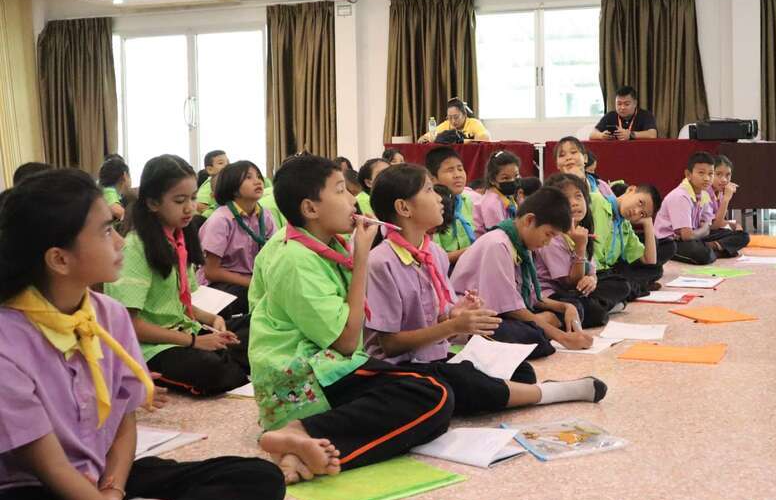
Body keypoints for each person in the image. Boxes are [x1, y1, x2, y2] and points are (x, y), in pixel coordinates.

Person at [0, 169, 286, 500]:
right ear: (59, 259)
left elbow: (124, 419)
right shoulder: (9, 342)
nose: (119, 242)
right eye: (106, 231)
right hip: (34, 486)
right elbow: (50, 467)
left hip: (101, 468)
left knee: (259, 477)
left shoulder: (107, 313)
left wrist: (113, 492)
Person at [248, 155, 454, 482]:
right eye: (341, 190)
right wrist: (361, 259)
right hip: (301, 376)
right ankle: (301, 430)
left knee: (433, 396)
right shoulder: (294, 259)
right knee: (433, 396)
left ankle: (301, 452)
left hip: (328, 365)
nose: (353, 200)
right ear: (310, 209)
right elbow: (345, 342)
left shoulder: (328, 243)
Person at [363, 164, 607, 411]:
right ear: (404, 208)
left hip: (435, 352)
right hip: (400, 365)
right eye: (428, 190)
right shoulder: (381, 262)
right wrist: (453, 325)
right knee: (456, 385)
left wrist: (458, 312)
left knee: (521, 371)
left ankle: (512, 390)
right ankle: (551, 393)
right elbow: (390, 345)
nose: (439, 197)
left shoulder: (433, 253)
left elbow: (442, 314)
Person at [105, 155, 251, 396]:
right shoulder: (136, 247)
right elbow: (129, 325)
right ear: (153, 203)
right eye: (179, 200)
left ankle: (228, 357)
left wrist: (212, 319)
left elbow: (181, 305)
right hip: (152, 347)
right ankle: (227, 361)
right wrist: (195, 342)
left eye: (193, 198)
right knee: (212, 369)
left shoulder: (179, 239)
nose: (190, 207)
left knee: (253, 328)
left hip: (183, 330)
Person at [451, 187, 594, 357]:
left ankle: (543, 323)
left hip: (506, 312)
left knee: (575, 307)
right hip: (476, 320)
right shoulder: (498, 244)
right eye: (548, 234)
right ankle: (543, 324)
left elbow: (530, 296)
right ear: (529, 220)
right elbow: (511, 308)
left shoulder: (520, 243)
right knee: (534, 338)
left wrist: (566, 307)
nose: (547, 242)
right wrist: (563, 338)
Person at [537, 173, 631, 328]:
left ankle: (595, 306)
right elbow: (570, 283)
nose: (575, 203)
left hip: (575, 291)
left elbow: (591, 268)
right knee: (594, 312)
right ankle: (594, 308)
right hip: (553, 294)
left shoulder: (581, 228)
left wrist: (592, 279)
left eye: (578, 196)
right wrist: (580, 248)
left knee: (621, 284)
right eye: (566, 199)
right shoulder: (552, 237)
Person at [198, 161, 276, 317]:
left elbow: (274, 252)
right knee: (256, 298)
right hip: (219, 285)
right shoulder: (221, 219)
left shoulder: (265, 215)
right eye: (248, 177)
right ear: (233, 187)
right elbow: (211, 272)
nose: (258, 181)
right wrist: (253, 283)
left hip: (252, 280)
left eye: (258, 176)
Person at [656, 152, 747, 265]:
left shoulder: (702, 193)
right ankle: (718, 250)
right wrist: (704, 229)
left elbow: (710, 225)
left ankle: (713, 249)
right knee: (702, 254)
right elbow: (687, 235)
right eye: (701, 173)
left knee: (742, 236)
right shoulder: (681, 196)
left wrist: (705, 229)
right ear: (688, 174)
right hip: (671, 241)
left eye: (710, 174)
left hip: (695, 235)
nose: (707, 178)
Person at [592, 181, 663, 299]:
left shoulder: (625, 225)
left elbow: (649, 260)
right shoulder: (597, 202)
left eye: (642, 214)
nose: (636, 212)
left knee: (655, 270)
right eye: (640, 203)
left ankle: (626, 291)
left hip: (606, 273)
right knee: (623, 286)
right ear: (631, 190)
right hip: (589, 271)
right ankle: (630, 291)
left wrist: (648, 223)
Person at [425, 147, 476, 265]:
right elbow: (434, 257)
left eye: (460, 169)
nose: (457, 175)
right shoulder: (433, 207)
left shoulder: (467, 201)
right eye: (450, 170)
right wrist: (473, 251)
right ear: (433, 179)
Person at [473, 150, 521, 236]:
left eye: (516, 175)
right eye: (505, 178)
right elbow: (498, 236)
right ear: (492, 180)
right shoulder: (491, 203)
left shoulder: (507, 197)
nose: (512, 181)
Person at [590, 86, 657, 141]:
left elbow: (652, 134)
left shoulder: (645, 115)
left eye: (626, 104)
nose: (622, 107)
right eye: (619, 104)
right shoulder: (610, 115)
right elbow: (592, 134)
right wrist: (601, 135)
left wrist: (631, 135)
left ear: (635, 103)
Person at [417, 98, 491, 143]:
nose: (453, 121)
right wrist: (425, 138)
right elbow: (425, 138)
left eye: (456, 117)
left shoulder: (474, 123)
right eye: (449, 117)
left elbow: (485, 138)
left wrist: (463, 141)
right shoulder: (446, 124)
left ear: (464, 114)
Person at [709, 155, 749, 239]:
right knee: (741, 236)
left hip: (712, 229)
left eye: (728, 175)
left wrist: (733, 225)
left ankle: (715, 245)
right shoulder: (705, 192)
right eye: (718, 174)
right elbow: (714, 225)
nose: (724, 180)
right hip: (701, 233)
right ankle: (712, 245)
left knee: (742, 235)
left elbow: (717, 220)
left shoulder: (719, 192)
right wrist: (726, 199)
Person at [196, 150, 229, 217]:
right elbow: (199, 205)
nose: (227, 165)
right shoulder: (208, 185)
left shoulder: (227, 181)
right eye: (221, 163)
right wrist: (214, 211)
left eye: (228, 162)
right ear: (210, 169)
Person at [98, 156, 131, 222]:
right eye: (129, 176)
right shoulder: (109, 192)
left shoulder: (105, 190)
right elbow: (115, 210)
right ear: (124, 175)